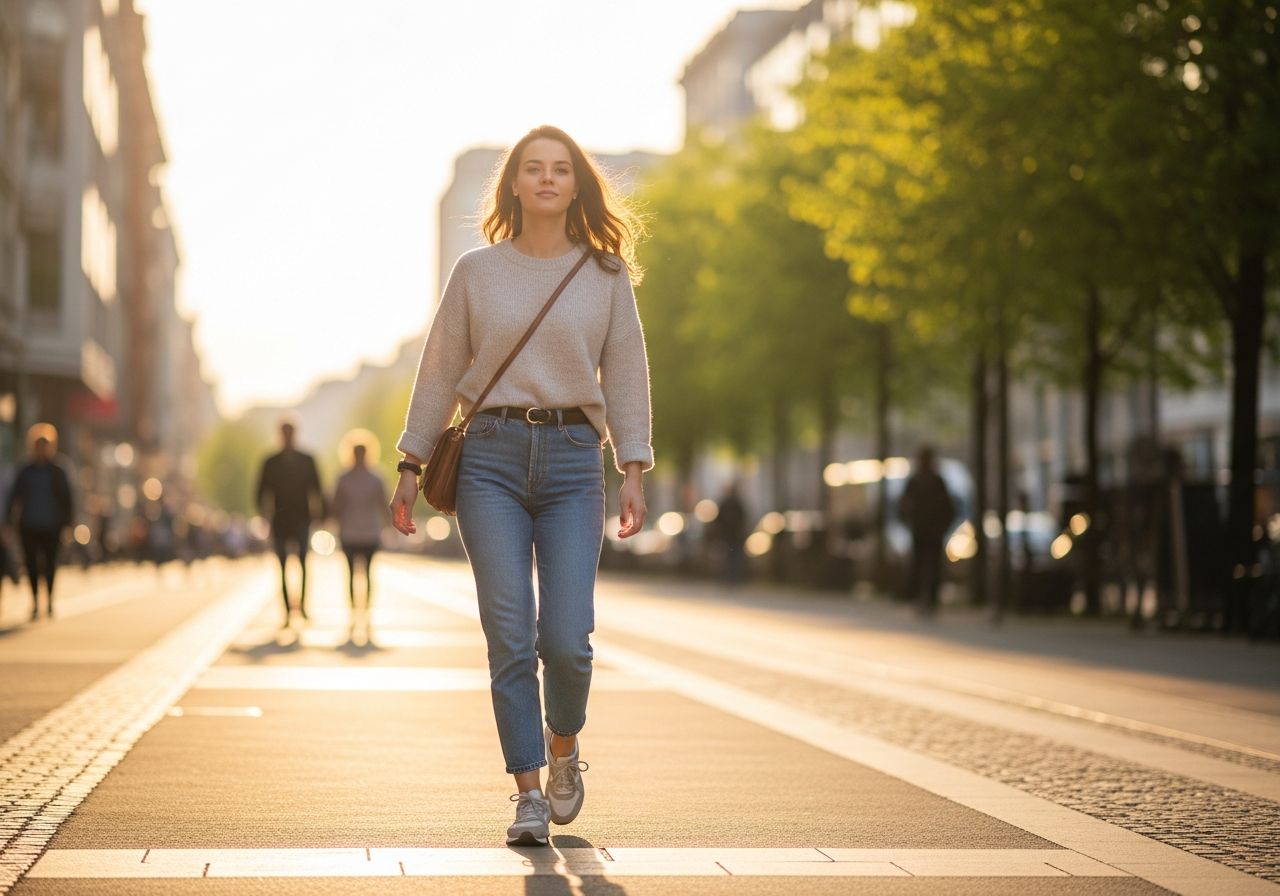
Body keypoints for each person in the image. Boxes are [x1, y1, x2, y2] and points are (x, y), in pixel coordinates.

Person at [390, 125, 652, 847]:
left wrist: (634, 466)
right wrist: (410, 466)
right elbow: (439, 370)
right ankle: (528, 792)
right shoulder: (475, 272)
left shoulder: (603, 275)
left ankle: (564, 746)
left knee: (567, 639)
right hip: (490, 460)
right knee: (508, 634)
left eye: (559, 169)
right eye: (532, 169)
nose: (545, 179)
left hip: (574, 459)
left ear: (575, 184)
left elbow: (626, 371)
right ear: (513, 185)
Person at [256, 420, 325, 624]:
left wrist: (320, 515)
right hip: (279, 519)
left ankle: (302, 606)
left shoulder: (307, 460)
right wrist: (263, 515)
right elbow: (261, 491)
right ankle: (287, 610)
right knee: (282, 565)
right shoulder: (270, 462)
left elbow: (318, 489)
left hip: (302, 518)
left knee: (303, 563)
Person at [4, 427, 72, 620]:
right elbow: (14, 497)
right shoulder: (25, 471)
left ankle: (49, 600)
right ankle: (35, 601)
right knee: (31, 564)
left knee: (50, 564)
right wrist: (9, 521)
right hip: (29, 525)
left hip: (52, 526)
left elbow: (67, 499)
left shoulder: (58, 470)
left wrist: (67, 524)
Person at [332, 441, 389, 623]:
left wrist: (390, 525)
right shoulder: (343, 478)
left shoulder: (376, 478)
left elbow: (383, 504)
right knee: (349, 573)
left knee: (369, 573)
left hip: (370, 532)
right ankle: (353, 610)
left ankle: (366, 610)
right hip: (348, 532)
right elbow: (335, 505)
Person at [899, 444, 956, 616]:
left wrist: (942, 527)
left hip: (933, 531)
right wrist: (909, 522)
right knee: (918, 565)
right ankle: (918, 598)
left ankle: (930, 599)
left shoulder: (936, 481)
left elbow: (948, 507)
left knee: (933, 566)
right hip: (920, 530)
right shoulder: (915, 481)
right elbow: (903, 506)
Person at [712, 481, 749, 586]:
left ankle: (733, 578)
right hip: (729, 536)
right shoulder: (729, 503)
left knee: (733, 558)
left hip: (733, 536)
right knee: (729, 558)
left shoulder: (735, 503)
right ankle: (729, 578)